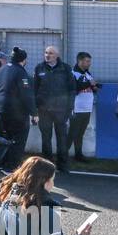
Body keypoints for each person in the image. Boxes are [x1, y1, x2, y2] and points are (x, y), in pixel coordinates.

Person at [33, 45, 75, 173]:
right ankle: (47, 166)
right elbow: (35, 89)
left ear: (57, 55)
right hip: (44, 110)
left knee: (62, 138)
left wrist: (70, 108)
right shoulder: (39, 68)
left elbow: (72, 89)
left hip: (60, 110)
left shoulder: (66, 68)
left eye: (50, 53)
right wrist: (35, 109)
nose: (47, 55)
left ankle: (63, 165)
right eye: (46, 52)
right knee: (46, 139)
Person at [0, 47, 37, 171]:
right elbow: (26, 94)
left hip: (1, 108)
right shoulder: (21, 72)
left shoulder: (2, 69)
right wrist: (34, 112)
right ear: (23, 60)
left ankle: (0, 163)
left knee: (4, 137)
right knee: (18, 139)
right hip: (16, 111)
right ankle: (11, 167)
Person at [69, 52, 98, 162]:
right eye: (87, 61)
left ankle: (78, 154)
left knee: (80, 133)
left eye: (89, 61)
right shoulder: (73, 73)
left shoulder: (87, 73)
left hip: (87, 108)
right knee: (72, 132)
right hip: (77, 108)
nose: (89, 63)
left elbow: (90, 85)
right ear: (80, 61)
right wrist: (89, 84)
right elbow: (74, 89)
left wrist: (95, 87)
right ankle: (62, 155)